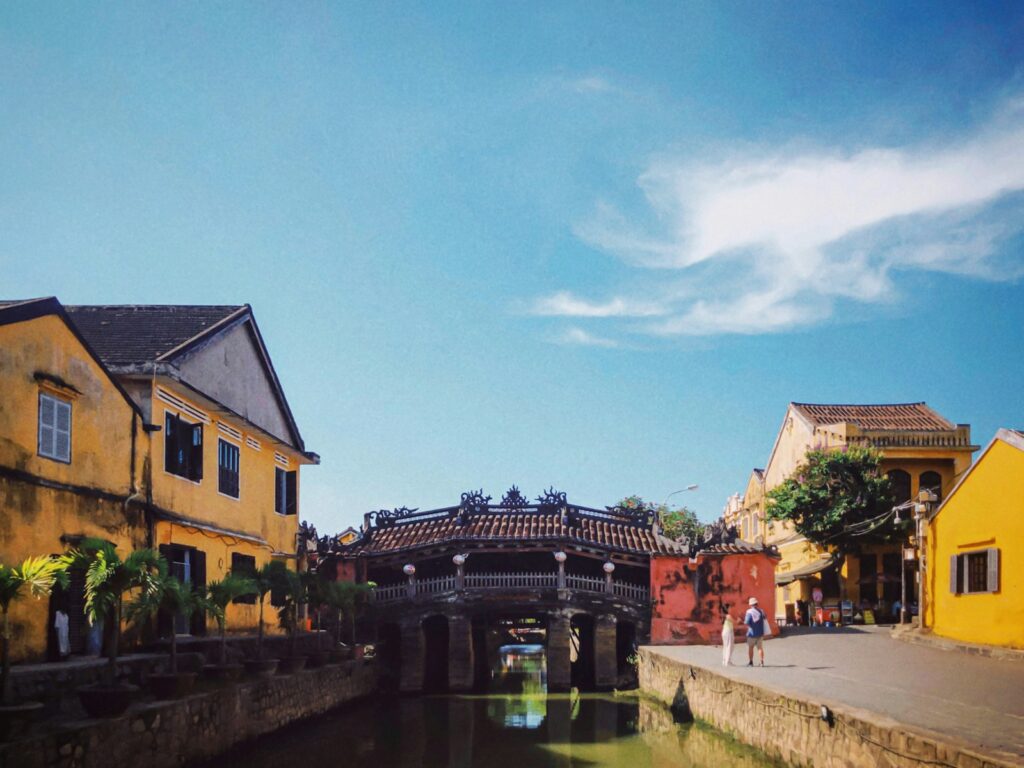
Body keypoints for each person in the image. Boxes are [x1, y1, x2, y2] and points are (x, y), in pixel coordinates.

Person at [744, 596, 767, 667]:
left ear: (750, 604)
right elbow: (765, 617)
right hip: (760, 633)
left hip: (752, 633)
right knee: (760, 648)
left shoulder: (749, 612)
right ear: (757, 603)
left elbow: (746, 622)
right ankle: (762, 662)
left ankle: (751, 662)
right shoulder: (761, 611)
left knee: (750, 648)